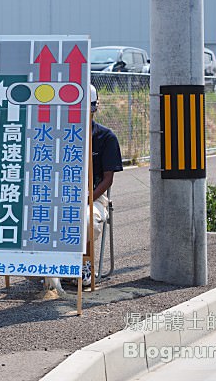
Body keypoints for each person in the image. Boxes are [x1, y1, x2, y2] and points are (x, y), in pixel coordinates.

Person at [81, 84, 123, 286]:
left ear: (95, 107)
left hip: (94, 196)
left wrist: (88, 198)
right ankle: (48, 267)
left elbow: (108, 178)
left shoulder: (105, 137)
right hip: (60, 196)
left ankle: (84, 265)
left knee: (85, 219)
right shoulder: (56, 134)